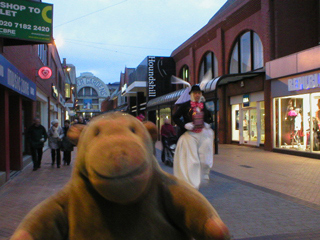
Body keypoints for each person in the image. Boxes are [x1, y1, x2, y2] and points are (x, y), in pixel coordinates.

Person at [172, 84, 214, 190]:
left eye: (198, 93)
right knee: (193, 159)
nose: (197, 95)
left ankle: (204, 173)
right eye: (195, 93)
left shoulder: (204, 106)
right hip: (190, 134)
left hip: (202, 133)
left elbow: (210, 117)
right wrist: (184, 125)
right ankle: (192, 182)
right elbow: (175, 117)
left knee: (205, 155)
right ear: (191, 94)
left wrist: (207, 123)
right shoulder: (185, 105)